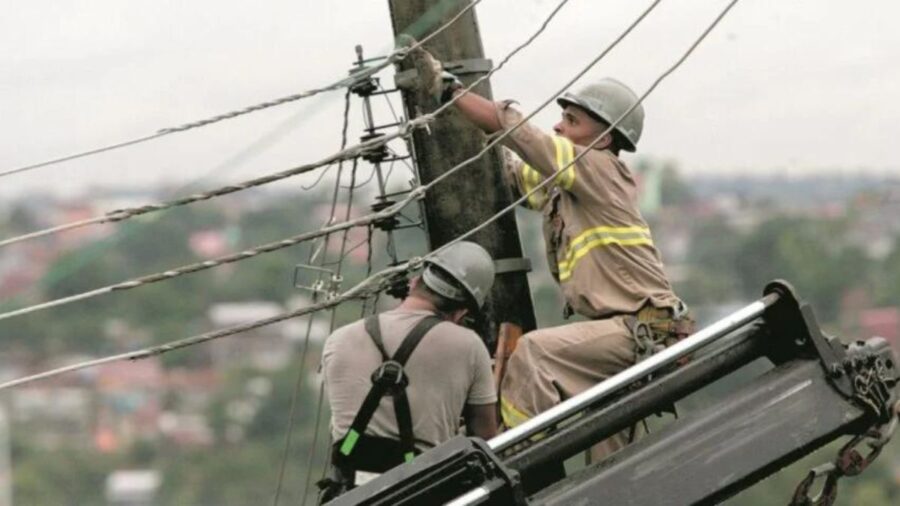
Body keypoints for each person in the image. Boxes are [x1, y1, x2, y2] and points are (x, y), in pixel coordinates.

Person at [409, 47, 694, 460]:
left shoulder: (598, 168)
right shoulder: (570, 186)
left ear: (604, 137)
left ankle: (511, 456)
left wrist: (450, 90)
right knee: (607, 444)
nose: (559, 127)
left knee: (534, 354)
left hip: (639, 330)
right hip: (623, 335)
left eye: (572, 121)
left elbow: (522, 134)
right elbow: (516, 172)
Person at [319, 241, 498, 501]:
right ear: (461, 312)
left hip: (352, 493)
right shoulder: (468, 345)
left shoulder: (339, 339)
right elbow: (484, 438)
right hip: (422, 491)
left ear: (414, 283)